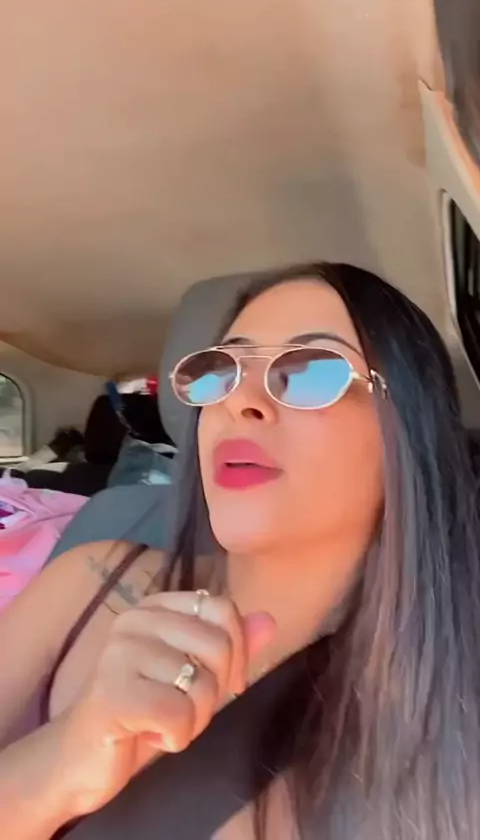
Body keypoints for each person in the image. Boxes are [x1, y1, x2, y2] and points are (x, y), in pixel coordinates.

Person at [1, 262, 479, 840]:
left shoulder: (445, 716)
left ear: (408, 431)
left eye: (310, 371)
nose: (241, 401)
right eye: (221, 373)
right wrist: (61, 763)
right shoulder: (89, 580)